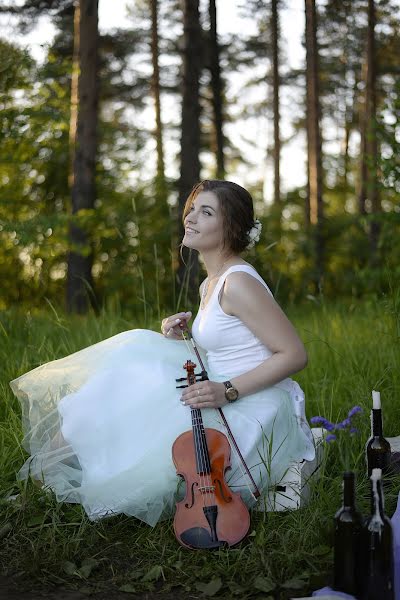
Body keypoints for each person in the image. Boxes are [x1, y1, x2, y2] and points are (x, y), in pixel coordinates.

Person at [10, 179, 315, 527]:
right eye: (192, 209)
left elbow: (293, 354)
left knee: (132, 377)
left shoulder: (239, 282)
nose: (190, 218)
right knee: (130, 371)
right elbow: (237, 347)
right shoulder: (211, 282)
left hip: (251, 404)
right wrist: (184, 338)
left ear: (230, 228)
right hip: (220, 387)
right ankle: (44, 476)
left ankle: (44, 478)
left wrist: (226, 390)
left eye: (206, 212)